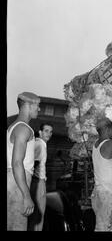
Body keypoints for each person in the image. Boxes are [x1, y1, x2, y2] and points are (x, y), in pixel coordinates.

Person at [7, 92, 41, 231]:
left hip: (14, 181)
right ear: (28, 105)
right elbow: (17, 163)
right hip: (17, 184)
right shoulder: (23, 129)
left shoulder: (13, 127)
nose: (39, 109)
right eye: (37, 106)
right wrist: (26, 195)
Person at [28, 123, 53, 231]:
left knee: (36, 214)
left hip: (36, 181)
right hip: (37, 182)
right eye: (46, 131)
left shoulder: (38, 143)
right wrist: (37, 179)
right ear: (40, 132)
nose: (49, 134)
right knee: (38, 214)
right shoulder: (40, 144)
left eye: (51, 131)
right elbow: (33, 162)